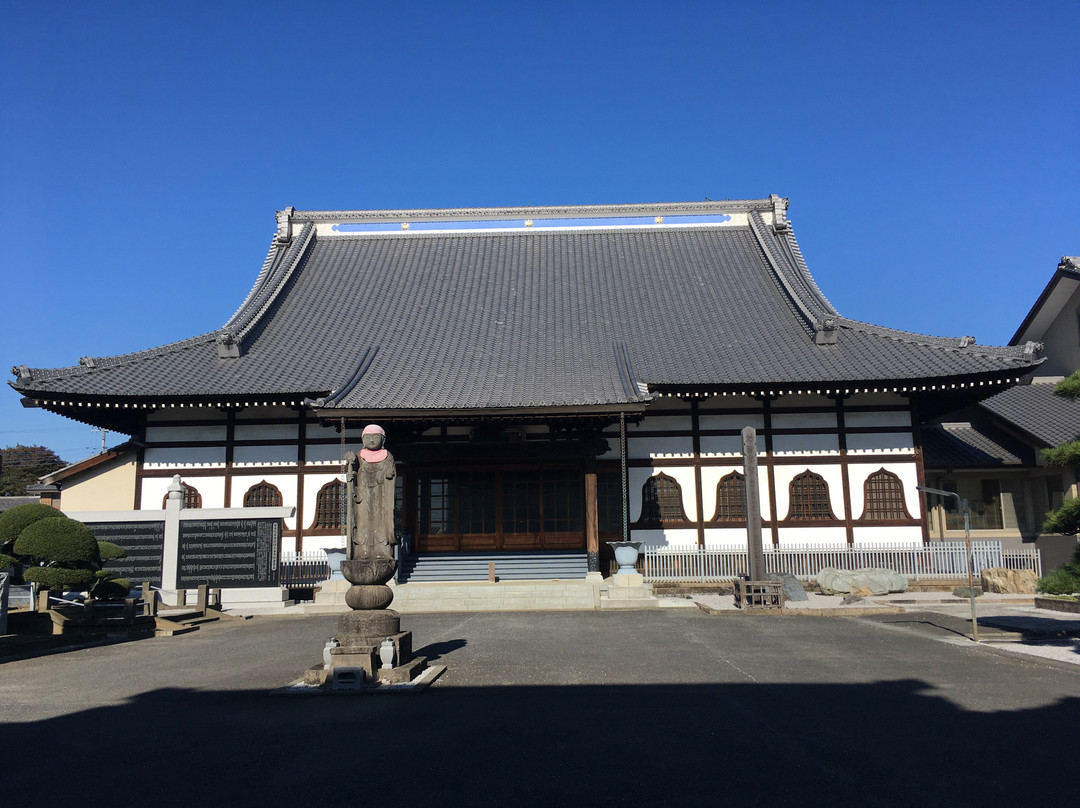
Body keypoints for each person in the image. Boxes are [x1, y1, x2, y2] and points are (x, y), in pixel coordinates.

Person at [345, 424, 397, 559]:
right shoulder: (359, 456)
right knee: (362, 524)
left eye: (375, 437)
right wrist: (351, 465)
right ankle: (361, 552)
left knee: (381, 525)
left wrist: (389, 474)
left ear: (383, 439)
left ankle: (382, 551)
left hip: (381, 497)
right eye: (368, 437)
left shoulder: (387, 456)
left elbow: (391, 475)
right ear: (363, 440)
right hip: (363, 498)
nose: (372, 440)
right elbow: (353, 471)